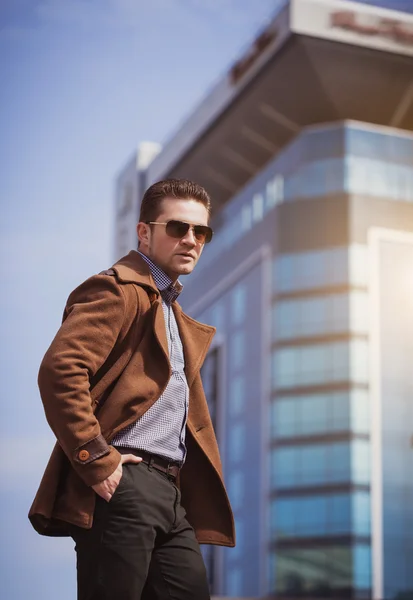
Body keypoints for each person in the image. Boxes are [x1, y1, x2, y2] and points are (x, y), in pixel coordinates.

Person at [29, 179, 235, 600]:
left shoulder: (171, 311)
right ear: (144, 232)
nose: (191, 240)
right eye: (178, 228)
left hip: (171, 493)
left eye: (202, 232)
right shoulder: (117, 289)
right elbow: (60, 370)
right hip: (124, 480)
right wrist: (95, 458)